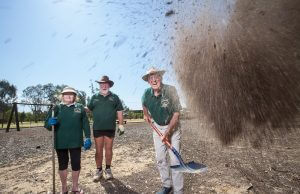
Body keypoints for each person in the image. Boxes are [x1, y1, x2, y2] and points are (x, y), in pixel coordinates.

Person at [142, 67, 183, 194]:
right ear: (148, 81)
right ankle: (167, 186)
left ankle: (178, 191)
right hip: (158, 128)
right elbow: (144, 104)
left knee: (175, 161)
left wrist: (168, 133)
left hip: (173, 127)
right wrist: (146, 115)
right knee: (160, 158)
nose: (154, 80)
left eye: (156, 77)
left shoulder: (171, 90)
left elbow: (176, 114)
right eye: (151, 78)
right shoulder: (146, 94)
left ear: (161, 77)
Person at [45, 86, 92, 194]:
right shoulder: (55, 108)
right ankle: (64, 188)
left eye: (71, 94)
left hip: (76, 141)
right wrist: (50, 123)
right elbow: (46, 124)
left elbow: (85, 123)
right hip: (60, 142)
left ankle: (75, 187)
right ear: (62, 96)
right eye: (66, 94)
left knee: (76, 164)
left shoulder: (79, 107)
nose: (69, 96)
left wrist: (88, 137)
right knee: (62, 164)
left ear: (75, 96)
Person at [87, 75, 124, 181]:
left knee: (108, 149)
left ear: (109, 85)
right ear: (99, 85)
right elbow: (88, 109)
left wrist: (121, 125)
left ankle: (108, 170)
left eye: (106, 84)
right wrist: (77, 107)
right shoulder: (94, 97)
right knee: (98, 150)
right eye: (101, 84)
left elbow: (120, 111)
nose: (104, 86)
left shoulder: (115, 97)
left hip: (110, 128)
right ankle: (99, 170)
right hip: (97, 128)